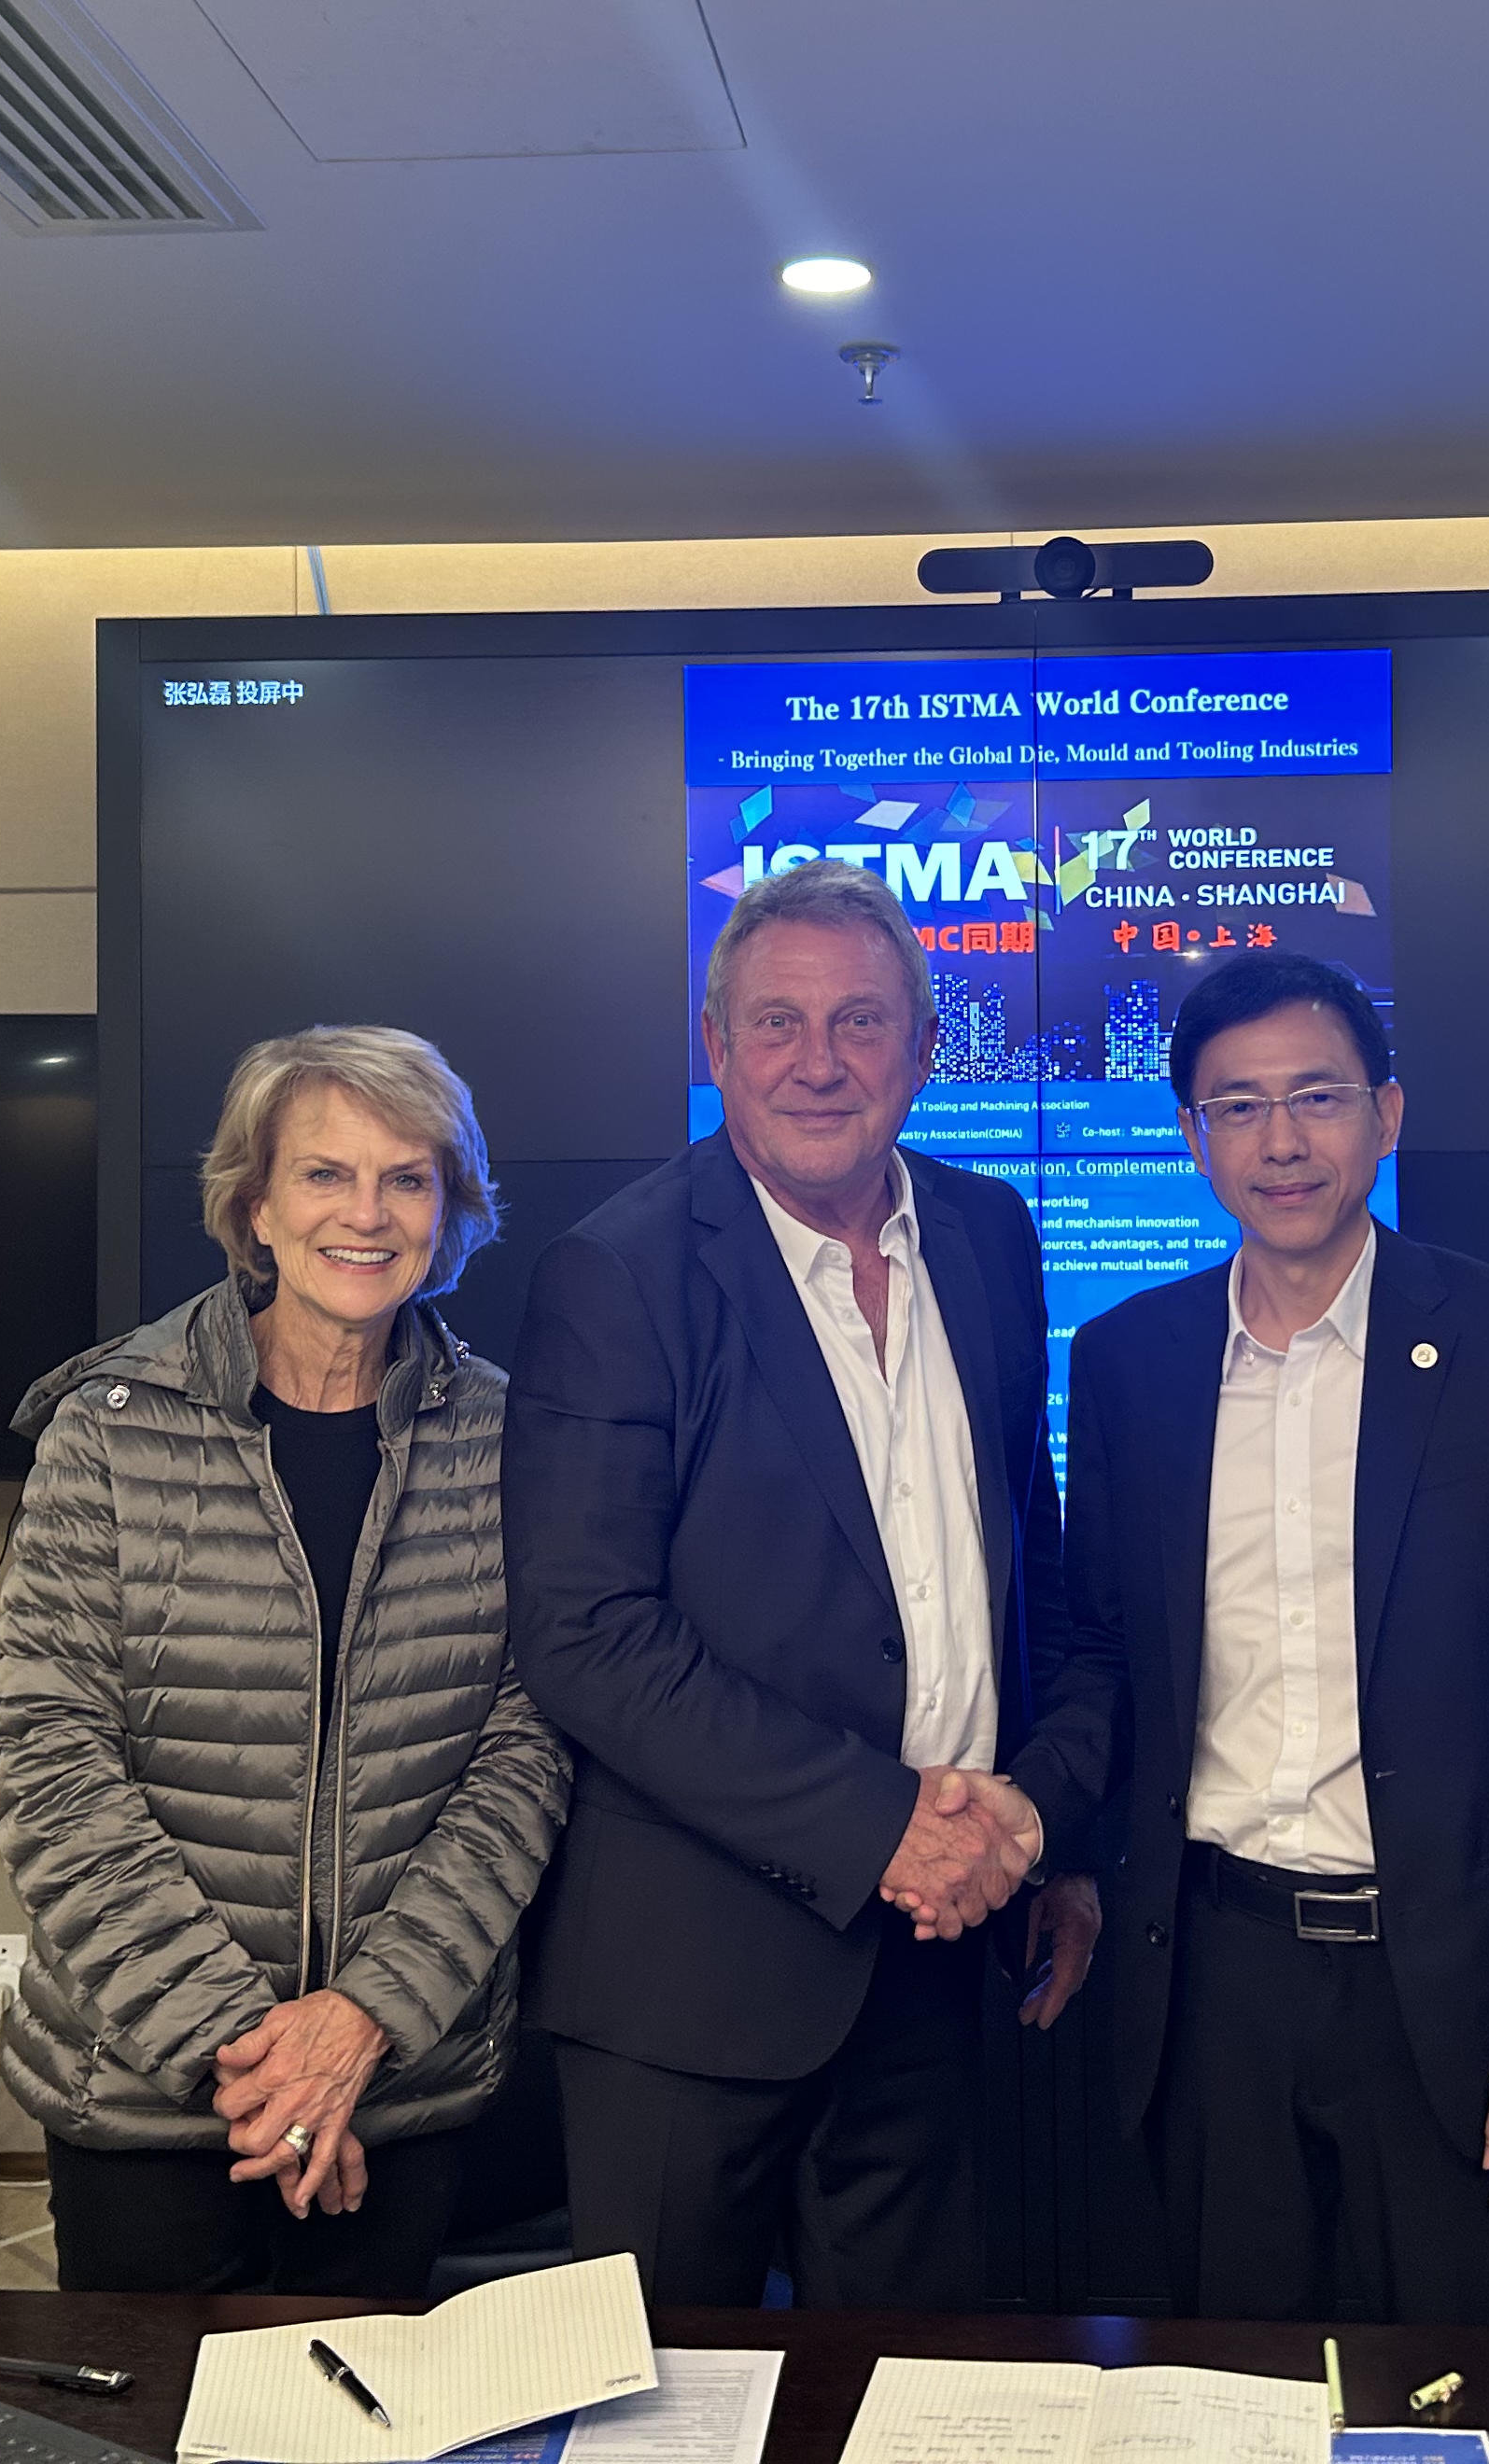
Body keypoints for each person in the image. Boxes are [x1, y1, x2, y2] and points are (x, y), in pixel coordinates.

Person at [502, 858, 1098, 2309]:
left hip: (943, 1958)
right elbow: (587, 1634)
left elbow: (1028, 1561)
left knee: (904, 2395)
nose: (818, 1062)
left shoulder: (990, 1236)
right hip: (692, 1991)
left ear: (926, 1048)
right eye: (777, 1022)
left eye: (860, 1021)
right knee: (661, 2400)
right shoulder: (618, 1273)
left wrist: (1045, 1823)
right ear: (717, 1048)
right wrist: (883, 1825)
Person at [1053, 949, 1489, 2322]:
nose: (1282, 1141)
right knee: (1232, 2383)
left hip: (1448, 1988)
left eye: (1317, 1097)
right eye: (1239, 1106)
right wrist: (1047, 1838)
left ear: (1386, 1114)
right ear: (1192, 1135)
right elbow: (1103, 1657)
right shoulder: (1131, 1360)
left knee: (1453, 2390)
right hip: (1212, 1979)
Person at [0, 1025, 569, 2295]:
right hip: (144, 2097)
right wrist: (257, 2062)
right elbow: (48, 1764)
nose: (366, 1213)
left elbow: (523, 1760)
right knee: (157, 2405)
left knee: (372, 2401)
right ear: (255, 1203)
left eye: (407, 1178)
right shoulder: (106, 1434)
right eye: (324, 1174)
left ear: (448, 1209)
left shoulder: (511, 1441)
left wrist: (359, 2026)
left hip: (398, 2086)